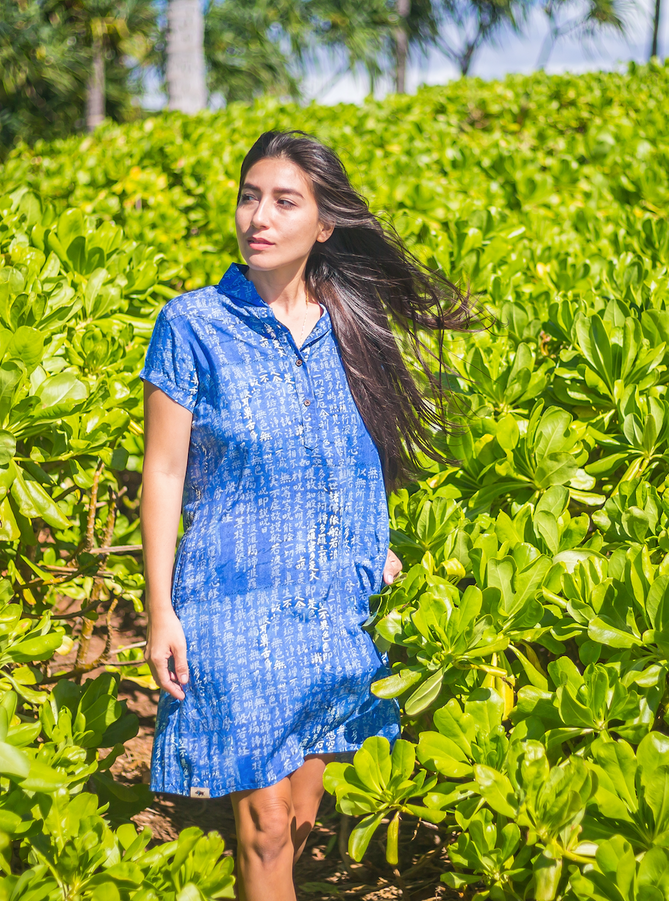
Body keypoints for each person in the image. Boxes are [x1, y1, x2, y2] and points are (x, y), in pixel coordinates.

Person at [139, 130, 476, 900]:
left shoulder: (352, 325)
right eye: (249, 197)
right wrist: (160, 610)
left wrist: (373, 543)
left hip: (331, 603)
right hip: (230, 603)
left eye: (284, 202)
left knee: (296, 818)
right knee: (262, 826)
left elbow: (366, 449)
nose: (259, 217)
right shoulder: (192, 325)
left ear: (325, 224)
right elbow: (162, 473)